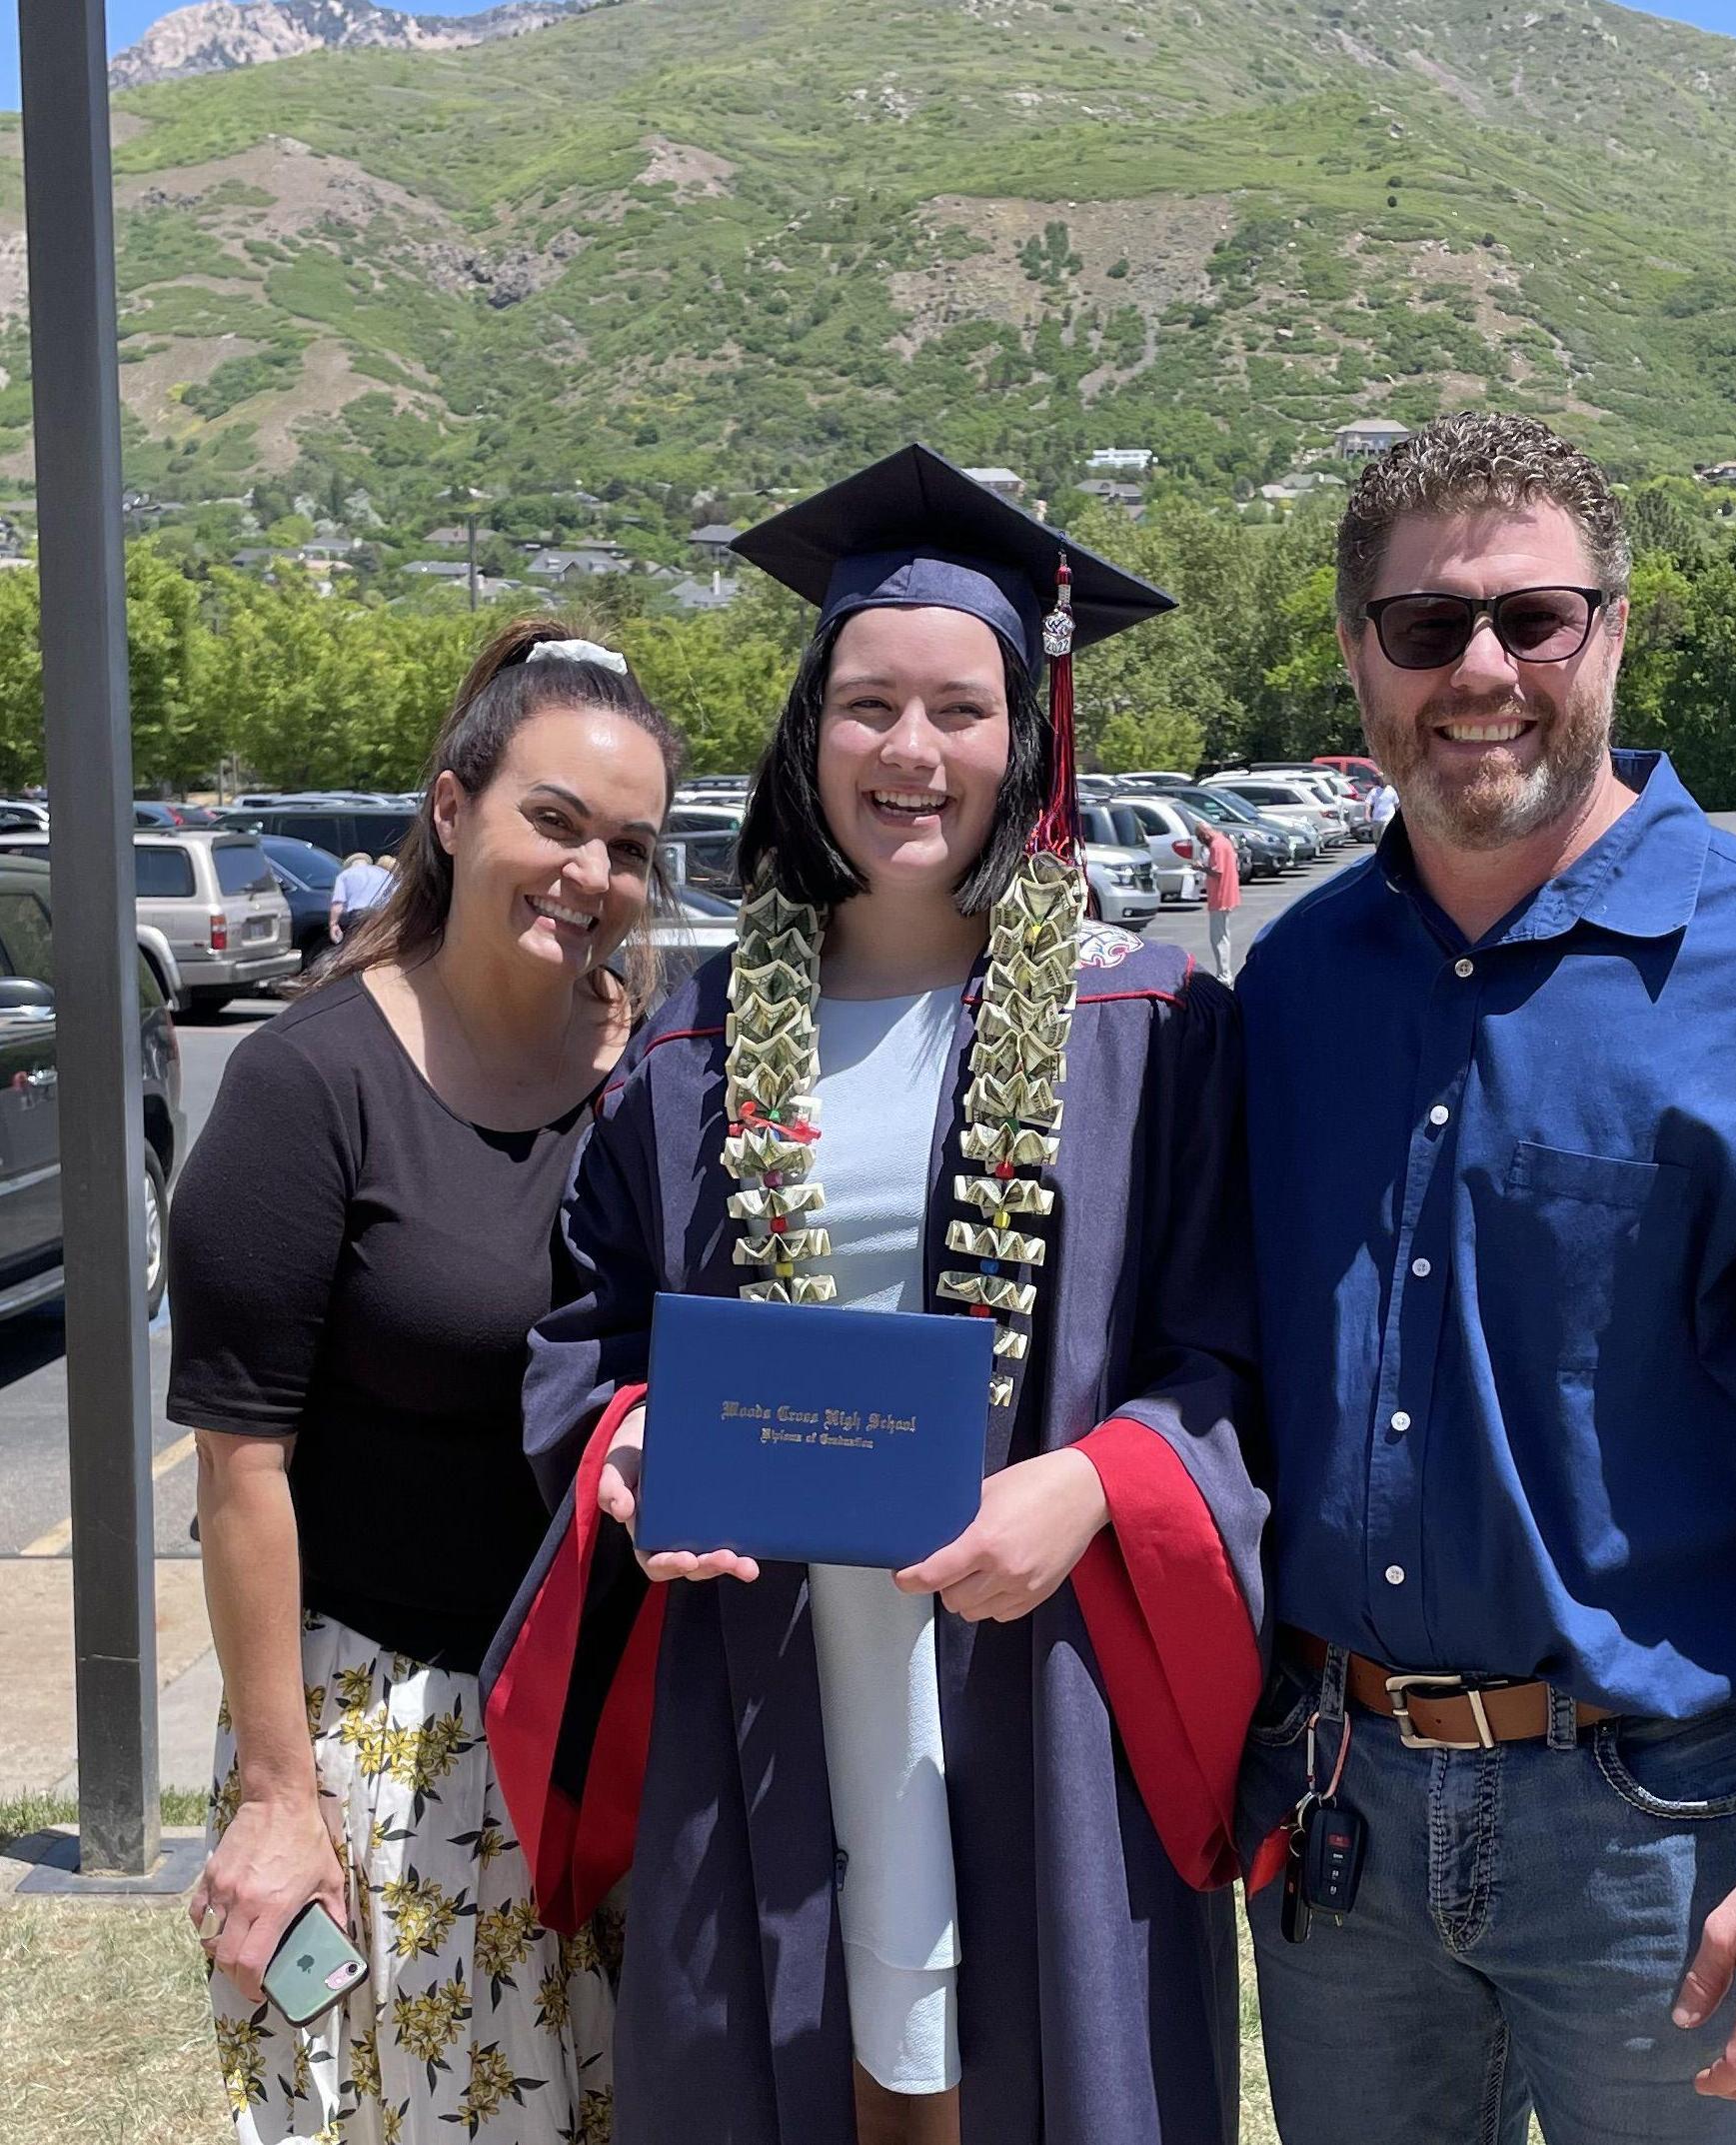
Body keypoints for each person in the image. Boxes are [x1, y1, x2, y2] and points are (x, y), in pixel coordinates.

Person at [1234, 413, 1736, 2145]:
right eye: (1427, 627)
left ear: (1614, 629)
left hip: (1664, 1837)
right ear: (1361, 651)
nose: (1482, 672)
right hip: (1343, 1824)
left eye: (1535, 618)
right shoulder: (1289, 990)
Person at [483, 446, 1267, 2145]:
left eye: (959, 709)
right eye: (866, 704)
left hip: (1040, 1675)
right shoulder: (685, 1055)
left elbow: (1229, 1362)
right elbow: (597, 1340)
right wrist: (626, 1453)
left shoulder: (1147, 1037)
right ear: (807, 728)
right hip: (759, 1680)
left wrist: (1093, 1481)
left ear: (1025, 737)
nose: (911, 752)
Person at [169, 622, 683, 2145]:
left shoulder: (661, 1067)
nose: (590, 870)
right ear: (452, 808)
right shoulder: (309, 1084)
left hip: (612, 1718)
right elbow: (238, 1465)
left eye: (630, 845)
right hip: (390, 1741)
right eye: (554, 818)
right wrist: (278, 1793)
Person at [1191, 818, 1240, 984]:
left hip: (1220, 896)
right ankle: (1224, 972)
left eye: (1199, 837)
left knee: (1218, 938)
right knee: (1222, 935)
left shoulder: (1216, 846)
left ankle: (1224, 974)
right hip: (1226, 895)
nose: (1200, 841)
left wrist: (1200, 867)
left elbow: (1217, 872)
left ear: (1204, 834)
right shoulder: (1224, 841)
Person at [327, 850, 393, 944]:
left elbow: (338, 903)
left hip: (358, 915)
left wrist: (333, 924)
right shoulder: (384, 873)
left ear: (350, 865)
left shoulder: (345, 875)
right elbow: (396, 894)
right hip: (382, 913)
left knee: (359, 944)